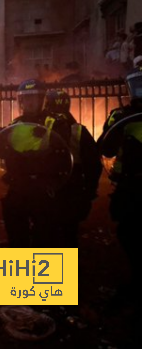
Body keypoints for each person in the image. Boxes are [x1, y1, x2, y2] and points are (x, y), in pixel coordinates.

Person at [0, 79, 72, 248]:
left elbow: (60, 150)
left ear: (42, 100)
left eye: (33, 99)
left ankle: (44, 272)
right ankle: (20, 268)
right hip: (19, 184)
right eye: (26, 99)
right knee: (15, 228)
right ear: (21, 102)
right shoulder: (14, 125)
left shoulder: (55, 122)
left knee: (45, 234)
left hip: (43, 186)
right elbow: (1, 151)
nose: (29, 103)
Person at [98, 65, 142, 296]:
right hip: (129, 185)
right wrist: (121, 126)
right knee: (128, 233)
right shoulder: (120, 115)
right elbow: (105, 147)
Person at [44, 89, 102, 247]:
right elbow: (94, 164)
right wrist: (89, 191)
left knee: (46, 234)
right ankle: (68, 269)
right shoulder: (79, 129)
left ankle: (48, 269)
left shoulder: (39, 129)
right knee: (69, 234)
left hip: (47, 187)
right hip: (73, 188)